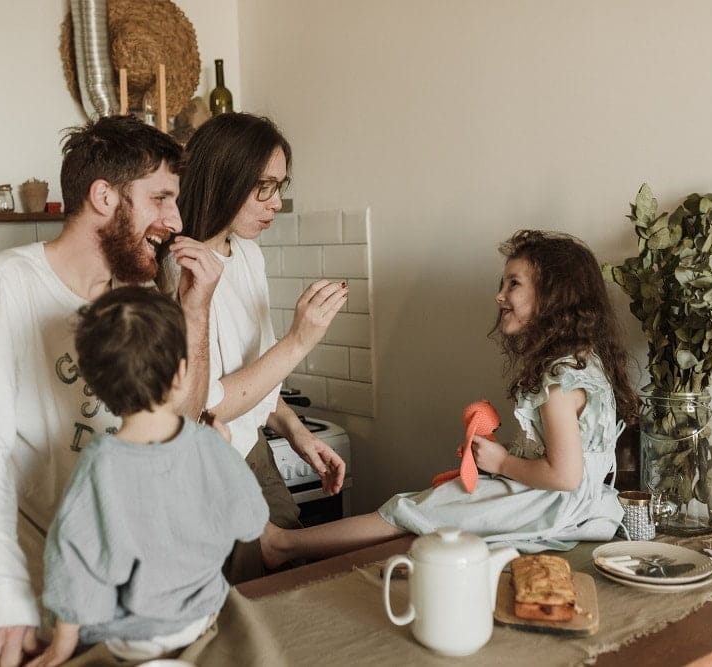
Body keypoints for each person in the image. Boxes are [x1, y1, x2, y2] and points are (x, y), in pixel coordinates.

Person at [0, 116, 223, 667]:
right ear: (104, 196)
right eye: (161, 198)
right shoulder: (3, 287)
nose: (176, 220)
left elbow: (179, 415)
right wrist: (2, 591)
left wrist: (194, 308)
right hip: (30, 580)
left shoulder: (141, 294)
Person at [261, 230, 640, 566]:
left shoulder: (558, 380)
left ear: (554, 296)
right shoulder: (585, 365)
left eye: (514, 284)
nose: (500, 295)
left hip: (549, 506)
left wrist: (504, 462)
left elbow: (564, 475)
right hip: (583, 505)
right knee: (431, 507)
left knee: (405, 509)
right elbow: (571, 459)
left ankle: (284, 543)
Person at [26, 286, 268, 667]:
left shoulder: (100, 466)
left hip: (130, 640)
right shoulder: (207, 444)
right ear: (181, 373)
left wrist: (62, 643)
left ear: (97, 386)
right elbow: (252, 520)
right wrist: (224, 453)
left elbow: (74, 563)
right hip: (201, 620)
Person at [168, 112, 350, 583]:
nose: (276, 203)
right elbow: (211, 407)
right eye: (262, 187)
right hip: (211, 464)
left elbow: (259, 375)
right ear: (223, 178)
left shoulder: (248, 253)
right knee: (246, 615)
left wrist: (297, 433)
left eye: (280, 186)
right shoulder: (181, 269)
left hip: (254, 451)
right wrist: (300, 340)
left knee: (291, 584)